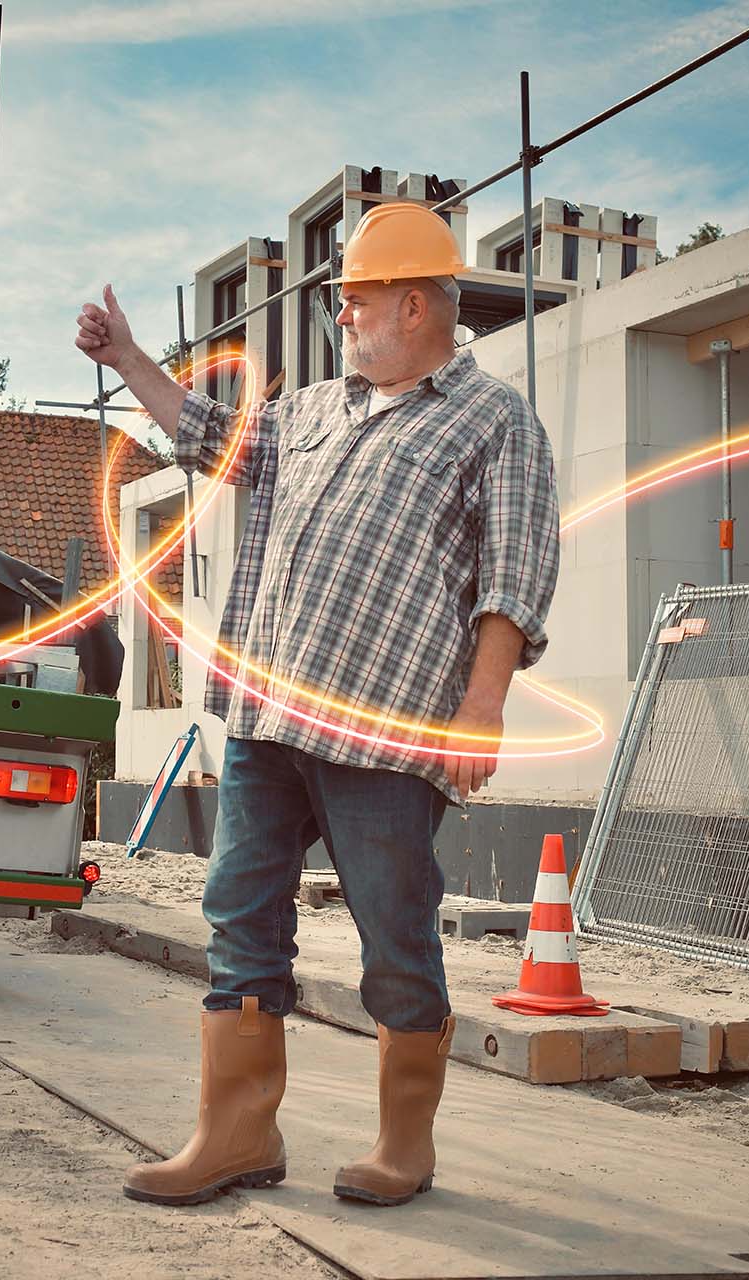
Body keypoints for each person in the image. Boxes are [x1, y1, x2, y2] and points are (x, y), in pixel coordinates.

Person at [73, 201, 560, 1209]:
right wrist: (126, 357)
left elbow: (515, 570)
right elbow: (208, 437)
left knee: (395, 930)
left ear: (415, 304)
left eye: (355, 300)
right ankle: (236, 1132)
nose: (340, 316)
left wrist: (482, 706)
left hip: (383, 729)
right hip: (266, 716)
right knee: (240, 914)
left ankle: (403, 1143)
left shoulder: (494, 418)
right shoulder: (311, 411)